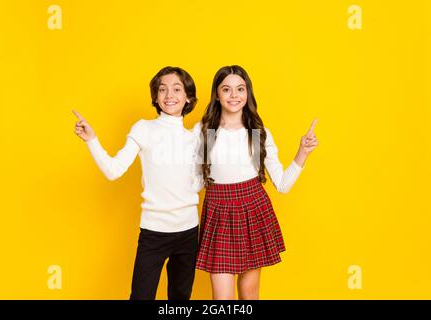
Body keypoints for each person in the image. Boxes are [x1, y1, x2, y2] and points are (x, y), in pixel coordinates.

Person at [73, 66, 203, 300]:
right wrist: (92, 140)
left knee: (181, 297)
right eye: (162, 89)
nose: (169, 95)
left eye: (176, 89)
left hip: (188, 231)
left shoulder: (194, 137)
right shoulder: (144, 128)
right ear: (155, 97)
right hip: (154, 232)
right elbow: (114, 170)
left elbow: (198, 182)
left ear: (188, 98)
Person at [194, 65, 319, 300]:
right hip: (218, 212)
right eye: (227, 89)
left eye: (240, 89)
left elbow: (282, 185)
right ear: (217, 95)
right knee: (222, 301)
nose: (234, 96)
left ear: (248, 93)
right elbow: (196, 183)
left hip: (252, 209)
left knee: (249, 297)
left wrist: (302, 152)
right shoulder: (206, 132)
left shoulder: (257, 133)